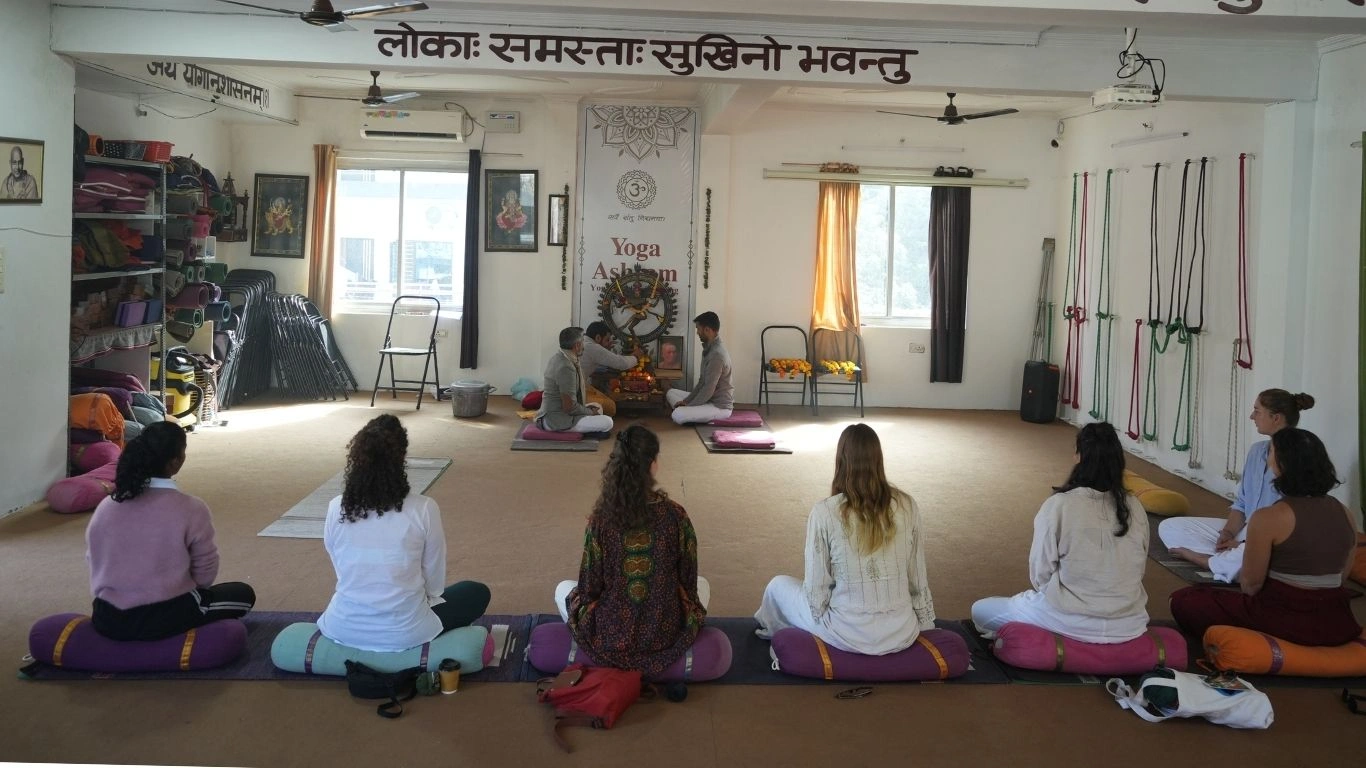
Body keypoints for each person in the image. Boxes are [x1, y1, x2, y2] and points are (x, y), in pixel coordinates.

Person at [753, 424, 936, 654]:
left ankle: (776, 634)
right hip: (901, 631)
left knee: (777, 586)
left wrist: (820, 619)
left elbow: (816, 592)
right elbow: (917, 577)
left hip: (845, 632)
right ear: (879, 460)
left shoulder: (824, 512)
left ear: (840, 461)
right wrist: (925, 624)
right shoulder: (908, 506)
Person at [1170, 428, 1360, 647]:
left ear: (1281, 464)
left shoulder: (1268, 518)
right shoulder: (1346, 513)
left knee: (1184, 600)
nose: (1267, 458)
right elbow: (1342, 576)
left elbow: (1251, 586)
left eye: (1270, 452)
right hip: (1336, 621)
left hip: (1282, 616)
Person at [317, 414, 490, 652]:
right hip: (404, 633)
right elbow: (434, 582)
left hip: (341, 626)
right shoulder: (423, 508)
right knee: (475, 592)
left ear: (356, 459)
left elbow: (340, 565)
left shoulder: (336, 506)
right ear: (401, 459)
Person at [971, 422, 1150, 643]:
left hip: (1065, 619)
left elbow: (1040, 575)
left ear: (1078, 456)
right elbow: (1139, 568)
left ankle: (1054, 637)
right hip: (1129, 624)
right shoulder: (1135, 506)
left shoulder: (1059, 505)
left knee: (980, 610)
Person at [554, 425, 709, 677]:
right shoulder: (675, 515)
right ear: (652, 464)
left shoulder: (601, 520)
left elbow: (589, 588)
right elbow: (688, 579)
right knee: (703, 586)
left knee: (562, 589)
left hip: (611, 634)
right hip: (664, 632)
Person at [86, 422, 255, 641]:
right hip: (165, 615)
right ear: (175, 462)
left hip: (106, 617)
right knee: (242, 594)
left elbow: (94, 560)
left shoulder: (106, 506)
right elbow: (205, 572)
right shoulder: (191, 507)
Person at [1160, 389, 1315, 582]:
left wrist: (1245, 543)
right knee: (1170, 526)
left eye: (1257, 411)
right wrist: (1228, 533)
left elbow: (1294, 522)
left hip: (1276, 538)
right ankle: (1233, 559)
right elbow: (1242, 503)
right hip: (1246, 531)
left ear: (1275, 418)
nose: (1252, 416)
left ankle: (1232, 560)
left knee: (1261, 555)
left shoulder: (1296, 457)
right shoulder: (1257, 451)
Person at [536, 327, 614, 434]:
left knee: (597, 406)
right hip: (556, 421)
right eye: (583, 342)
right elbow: (569, 407)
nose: (584, 346)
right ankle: (571, 430)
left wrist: (589, 410)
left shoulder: (559, 357)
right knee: (608, 422)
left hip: (555, 413)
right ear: (577, 346)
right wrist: (590, 412)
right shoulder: (565, 367)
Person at [666, 311, 733, 425]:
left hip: (718, 406)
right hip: (707, 399)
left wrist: (689, 405)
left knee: (677, 414)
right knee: (671, 393)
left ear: (707, 330)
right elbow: (702, 382)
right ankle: (693, 413)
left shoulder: (717, 355)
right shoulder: (708, 349)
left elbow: (709, 388)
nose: (697, 332)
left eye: (698, 329)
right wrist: (685, 401)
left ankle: (691, 414)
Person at [581, 320, 642, 418]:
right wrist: (636, 357)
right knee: (611, 407)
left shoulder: (583, 341)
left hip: (578, 386)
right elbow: (621, 363)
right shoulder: (592, 347)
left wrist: (604, 349)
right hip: (571, 391)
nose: (608, 343)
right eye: (607, 340)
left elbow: (595, 358)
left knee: (605, 397)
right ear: (597, 337)